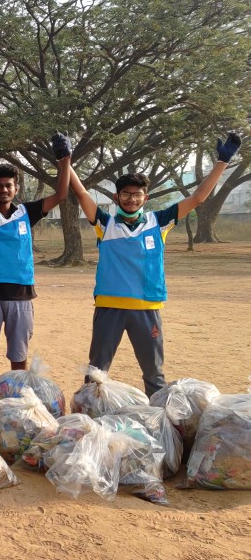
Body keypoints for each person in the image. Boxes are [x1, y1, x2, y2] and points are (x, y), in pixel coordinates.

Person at [68, 132, 242, 395]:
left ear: (145, 198)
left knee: (154, 374)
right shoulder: (106, 223)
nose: (131, 199)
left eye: (137, 195)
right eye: (125, 194)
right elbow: (81, 193)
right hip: (109, 306)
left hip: (146, 307)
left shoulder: (158, 222)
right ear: (116, 198)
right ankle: (89, 420)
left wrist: (223, 161)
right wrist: (65, 160)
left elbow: (197, 198)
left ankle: (161, 426)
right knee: (96, 372)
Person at [0, 126, 72, 395]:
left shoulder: (26, 213)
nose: (4, 189)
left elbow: (62, 195)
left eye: (9, 185)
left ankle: (19, 402)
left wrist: (64, 160)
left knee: (18, 356)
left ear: (16, 188)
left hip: (21, 296)